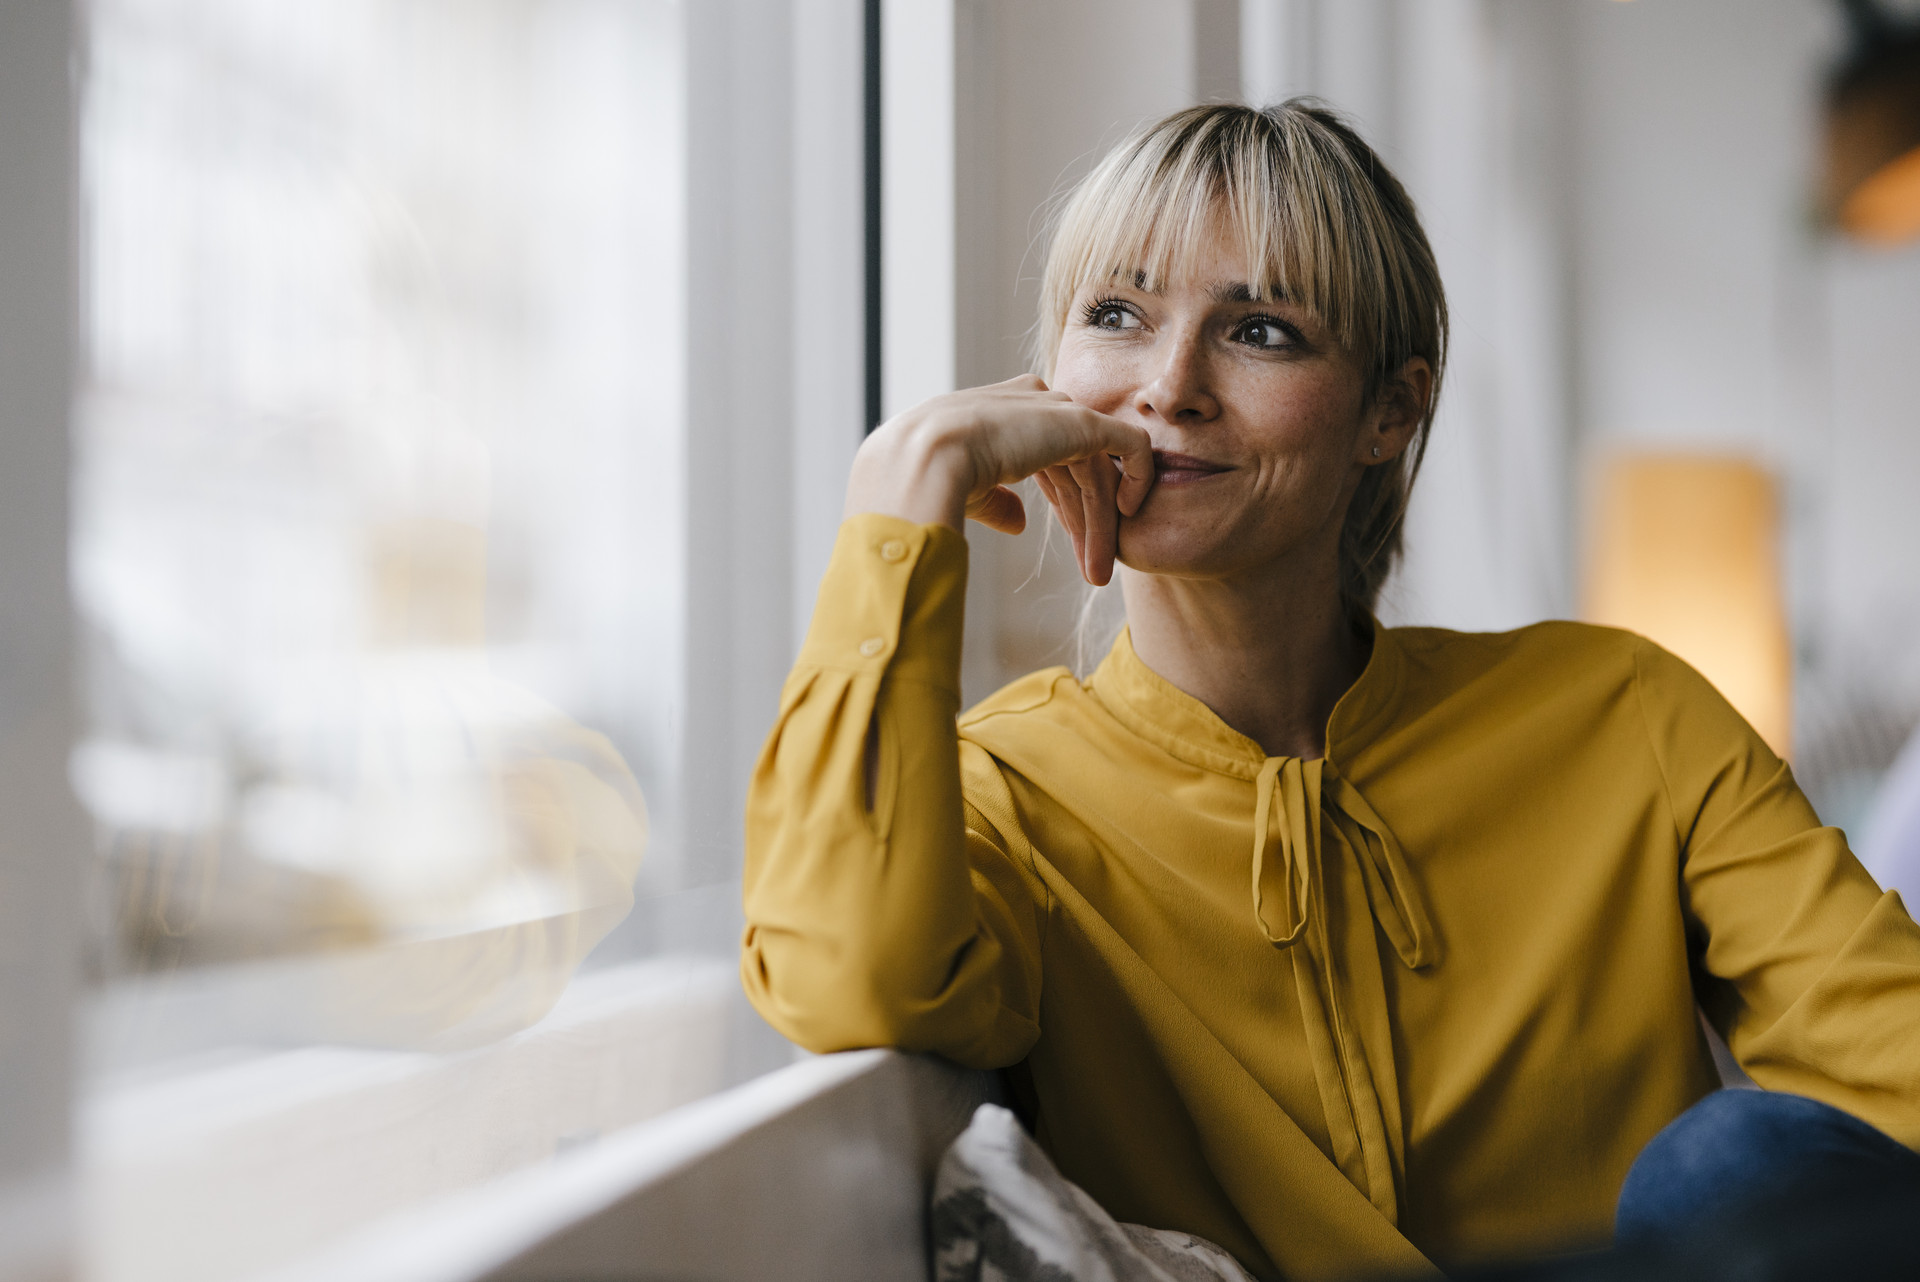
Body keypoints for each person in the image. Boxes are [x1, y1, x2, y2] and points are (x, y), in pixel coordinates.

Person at [738, 101, 1920, 1279]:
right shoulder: (1000, 795)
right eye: (1116, 315)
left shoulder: (1626, 715)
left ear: (1390, 410)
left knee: (1731, 1160)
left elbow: (1899, 1068)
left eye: (1259, 330)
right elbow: (847, 979)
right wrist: (902, 510)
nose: (1172, 384)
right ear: (1048, 382)